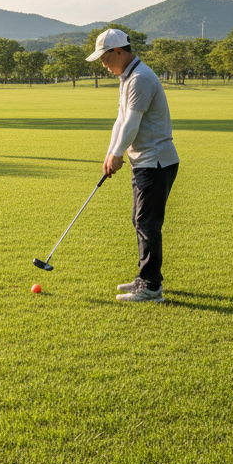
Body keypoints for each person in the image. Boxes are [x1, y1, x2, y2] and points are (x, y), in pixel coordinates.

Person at [86, 29, 179, 302]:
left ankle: (151, 287)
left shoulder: (140, 79)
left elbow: (132, 124)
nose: (103, 64)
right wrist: (110, 152)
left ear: (118, 51)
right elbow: (120, 120)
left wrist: (117, 155)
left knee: (147, 223)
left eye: (104, 57)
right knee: (140, 221)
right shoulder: (127, 78)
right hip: (144, 161)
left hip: (156, 162)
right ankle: (145, 277)